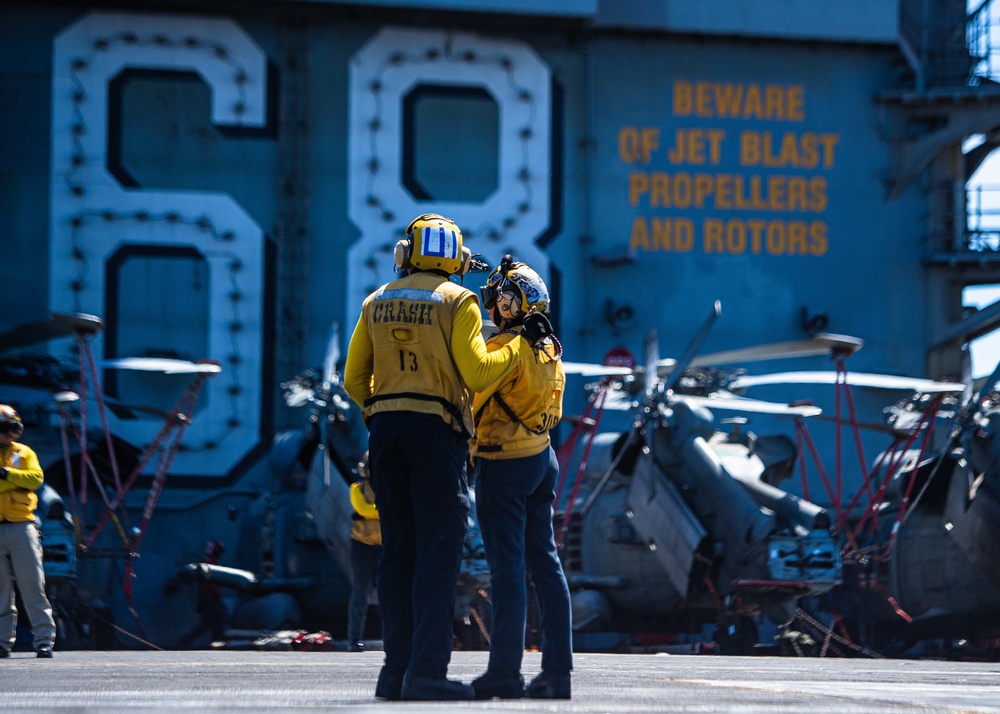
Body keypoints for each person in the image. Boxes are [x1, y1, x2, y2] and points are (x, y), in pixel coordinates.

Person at [343, 213, 552, 701]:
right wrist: (521, 340)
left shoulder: (376, 301)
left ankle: (393, 674)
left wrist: (383, 411)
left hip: (386, 433)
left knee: (397, 553)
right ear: (455, 259)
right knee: (437, 556)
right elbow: (479, 374)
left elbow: (355, 379)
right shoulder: (459, 301)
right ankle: (428, 675)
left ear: (406, 252)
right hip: (436, 436)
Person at [470, 258, 573, 700]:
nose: (491, 304)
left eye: (495, 298)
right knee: (546, 566)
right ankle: (557, 673)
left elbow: (469, 400)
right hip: (541, 460)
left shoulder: (503, 351)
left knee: (507, 571)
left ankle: (505, 673)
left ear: (509, 305)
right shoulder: (550, 348)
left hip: (503, 465)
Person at [0, 404, 57, 658]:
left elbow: (35, 479)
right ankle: (2, 642)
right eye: (4, 430)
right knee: (0, 590)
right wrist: (15, 483)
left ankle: (44, 640)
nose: (8, 435)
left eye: (12, 429)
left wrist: (6, 475)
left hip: (22, 525)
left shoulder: (25, 453)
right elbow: (24, 482)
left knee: (33, 583)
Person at [346, 452, 380, 653]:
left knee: (391, 593)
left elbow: (367, 511)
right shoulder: (357, 489)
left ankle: (397, 638)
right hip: (362, 544)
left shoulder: (390, 488)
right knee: (360, 592)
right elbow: (363, 508)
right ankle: (354, 639)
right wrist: (384, 509)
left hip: (385, 544)